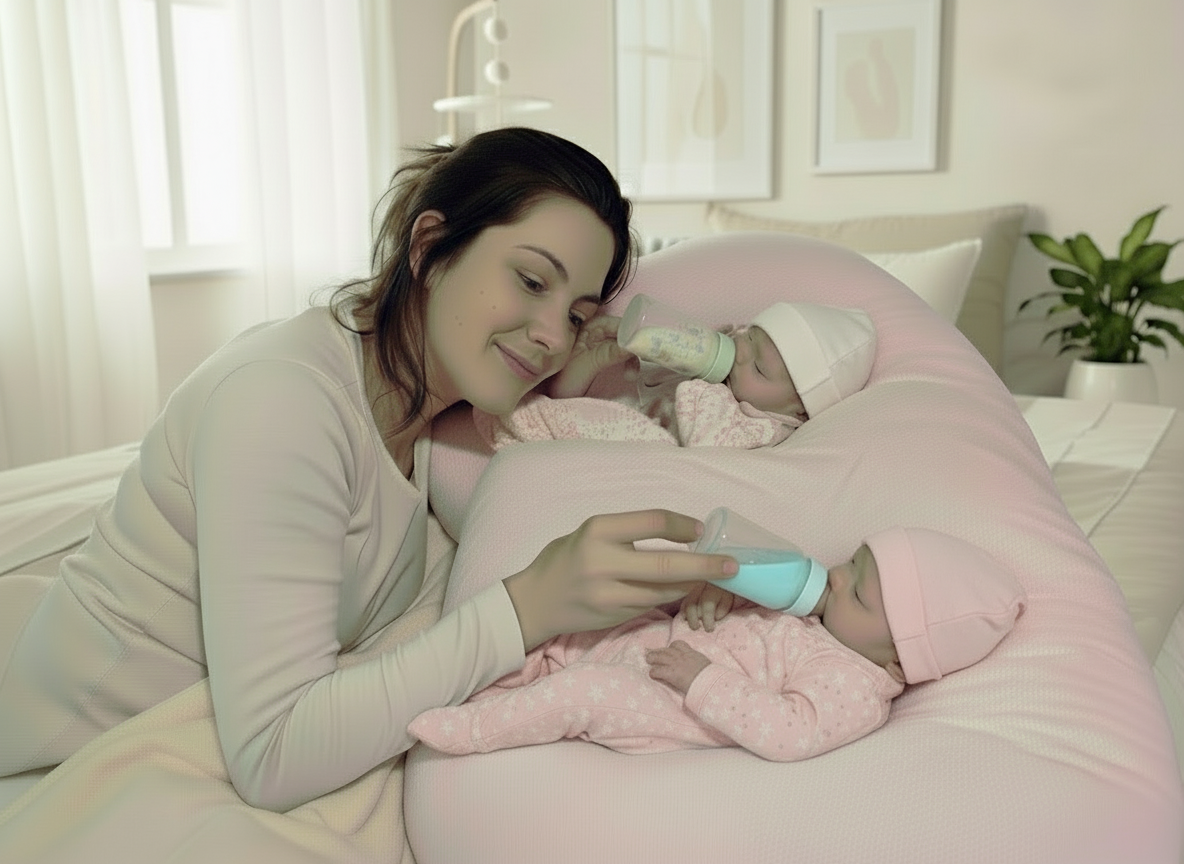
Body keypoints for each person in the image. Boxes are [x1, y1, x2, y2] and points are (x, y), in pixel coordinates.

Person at [0, 127, 739, 812]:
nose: (551, 335)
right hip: (61, 758)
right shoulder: (280, 403)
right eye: (530, 281)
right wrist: (525, 608)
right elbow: (274, 756)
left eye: (576, 314)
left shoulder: (436, 408)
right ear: (428, 245)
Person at [408, 527, 1026, 761]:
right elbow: (749, 616)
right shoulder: (823, 617)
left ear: (899, 657)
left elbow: (793, 731)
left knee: (587, 691)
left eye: (859, 593)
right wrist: (722, 598)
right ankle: (500, 668)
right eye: (851, 564)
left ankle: (475, 731)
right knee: (592, 624)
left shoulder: (858, 687)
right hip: (663, 650)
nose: (837, 578)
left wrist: (702, 681)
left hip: (679, 706)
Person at [474, 302, 877, 450]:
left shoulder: (762, 429)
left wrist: (702, 382)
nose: (739, 355)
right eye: (747, 337)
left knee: (578, 417)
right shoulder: (722, 374)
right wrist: (616, 351)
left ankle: (530, 419)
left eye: (757, 367)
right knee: (587, 390)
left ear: (798, 412)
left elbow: (704, 448)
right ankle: (577, 376)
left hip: (643, 449)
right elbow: (611, 394)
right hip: (611, 409)